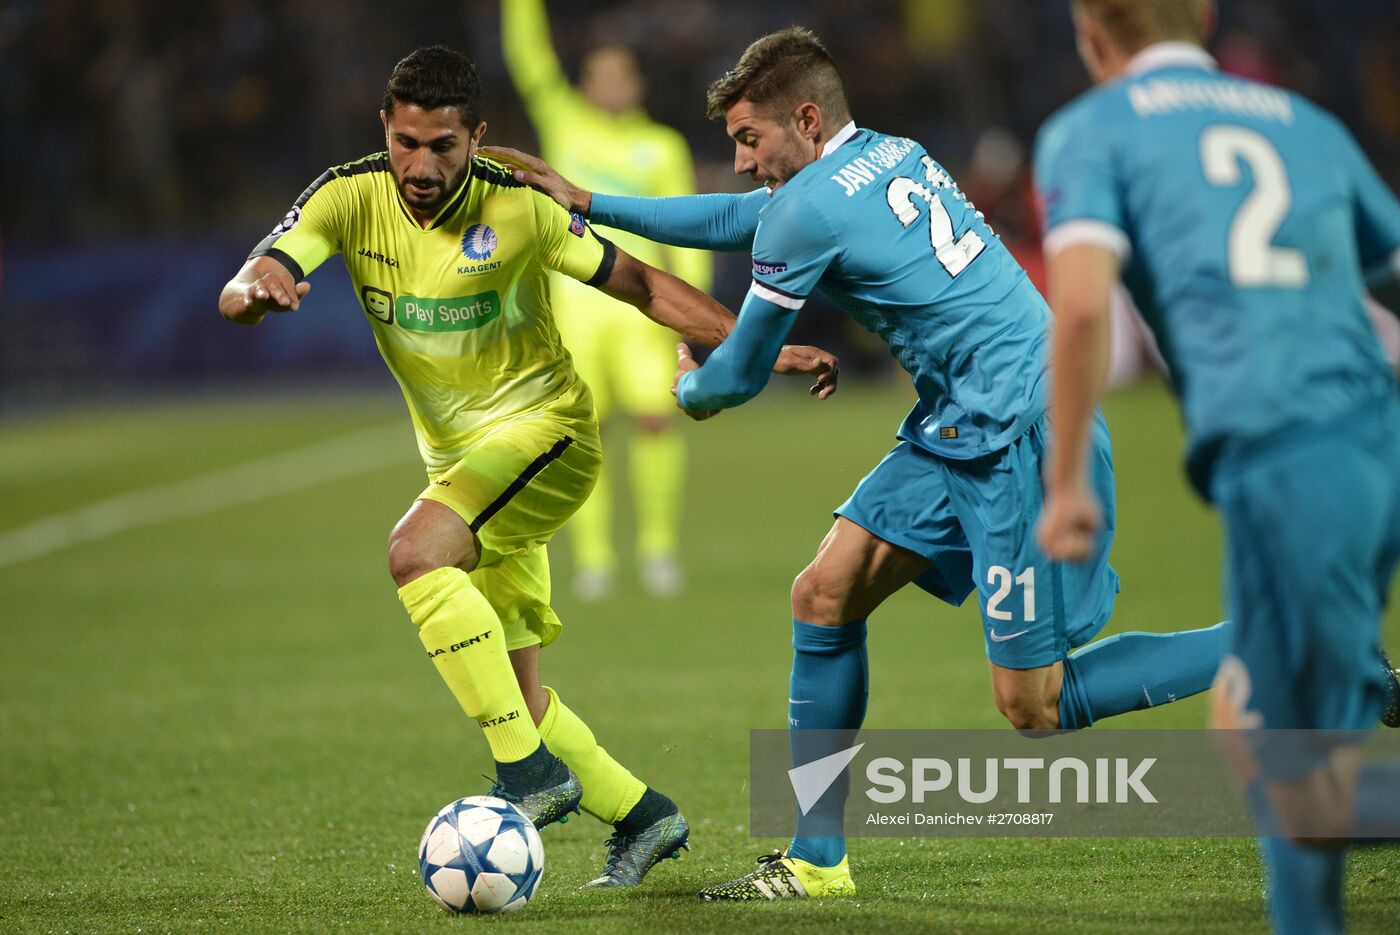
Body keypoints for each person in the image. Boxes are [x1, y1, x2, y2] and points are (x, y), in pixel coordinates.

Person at [487, 26, 1233, 901]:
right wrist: (592, 201)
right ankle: (817, 858)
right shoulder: (883, 155)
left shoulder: (810, 207)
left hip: (1020, 434)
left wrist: (689, 387)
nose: (739, 161)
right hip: (961, 419)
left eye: (750, 139)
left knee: (1039, 705)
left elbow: (732, 376)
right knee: (824, 593)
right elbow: (738, 218)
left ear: (805, 119)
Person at [216, 46, 837, 889]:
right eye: (406, 143)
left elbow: (644, 286)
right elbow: (254, 276)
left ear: (478, 135)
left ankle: (529, 776)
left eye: (442, 146)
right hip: (466, 469)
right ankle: (643, 813)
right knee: (518, 694)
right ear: (385, 131)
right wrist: (255, 294)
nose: (421, 165)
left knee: (415, 554)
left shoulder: (520, 206)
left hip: (547, 438)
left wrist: (756, 347)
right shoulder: (346, 195)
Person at [1033, 2, 1400, 932]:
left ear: (1089, 32)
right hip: (1373, 436)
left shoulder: (1092, 130)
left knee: (1276, 749)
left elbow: (1078, 312)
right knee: (1261, 728)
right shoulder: (1302, 120)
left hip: (1284, 450)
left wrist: (1067, 477)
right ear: (1199, 17)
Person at [502, 0, 713, 599]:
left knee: (654, 422)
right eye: (604, 76)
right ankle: (594, 560)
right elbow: (528, 60)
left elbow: (687, 228)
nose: (615, 86)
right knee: (581, 432)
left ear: (638, 83)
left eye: (625, 75)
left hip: (641, 309)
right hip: (573, 306)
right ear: (587, 85)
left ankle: (658, 551)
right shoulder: (566, 124)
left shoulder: (662, 146)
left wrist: (688, 312)